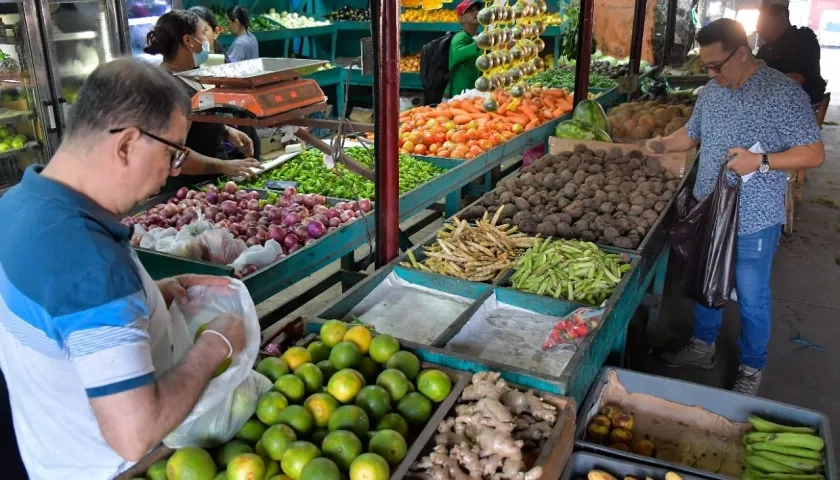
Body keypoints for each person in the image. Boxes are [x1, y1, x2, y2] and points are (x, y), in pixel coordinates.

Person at [0, 58, 246, 479]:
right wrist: (216, 345)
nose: (172, 170)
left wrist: (153, 296)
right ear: (126, 144)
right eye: (172, 153)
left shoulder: (18, 204)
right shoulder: (92, 267)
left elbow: (60, 327)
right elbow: (134, 433)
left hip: (48, 454)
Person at [648, 19, 824, 395]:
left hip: (755, 216)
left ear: (741, 53)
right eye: (706, 67)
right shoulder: (712, 93)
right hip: (709, 208)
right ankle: (702, 346)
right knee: (706, 278)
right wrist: (662, 143)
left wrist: (760, 162)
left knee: (751, 296)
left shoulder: (782, 94)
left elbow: (814, 153)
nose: (711, 74)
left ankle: (751, 367)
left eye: (716, 66)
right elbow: (691, 135)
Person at [144, 10, 260, 194]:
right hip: (186, 192)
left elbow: (195, 119)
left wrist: (225, 131)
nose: (207, 39)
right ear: (188, 41)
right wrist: (224, 166)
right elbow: (174, 154)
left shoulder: (188, 75)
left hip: (207, 186)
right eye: (203, 32)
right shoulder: (170, 90)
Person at [756, 0, 827, 107]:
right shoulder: (766, 49)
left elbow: (794, 81)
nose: (759, 28)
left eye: (764, 20)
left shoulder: (803, 41)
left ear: (781, 17)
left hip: (792, 108)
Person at [445, 0, 482, 98]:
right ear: (461, 19)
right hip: (457, 95)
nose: (476, 12)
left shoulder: (475, 37)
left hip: (469, 92)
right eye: (470, 11)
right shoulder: (461, 36)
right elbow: (457, 54)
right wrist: (478, 45)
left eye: (477, 10)